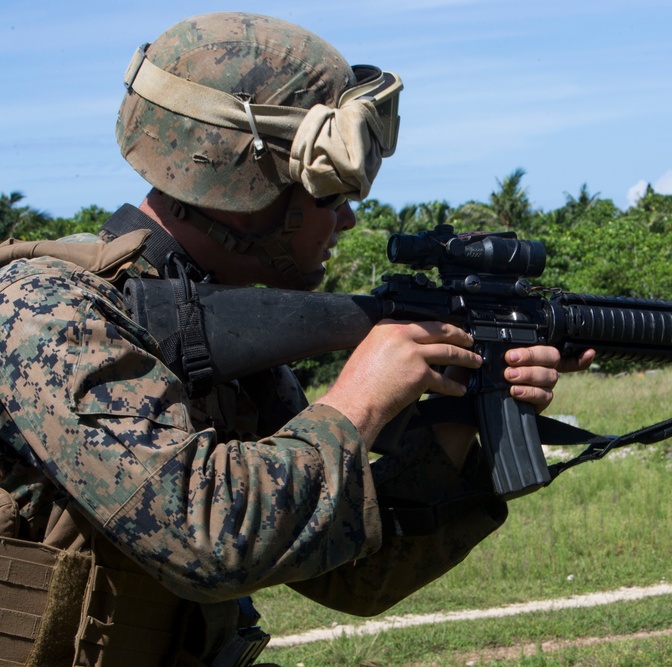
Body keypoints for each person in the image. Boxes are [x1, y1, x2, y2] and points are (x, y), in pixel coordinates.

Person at [0, 12, 593, 667]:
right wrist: (361, 397)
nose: (347, 216)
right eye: (330, 190)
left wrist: (460, 418)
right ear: (245, 186)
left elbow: (358, 575)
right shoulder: (45, 310)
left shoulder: (224, 353)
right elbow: (207, 537)